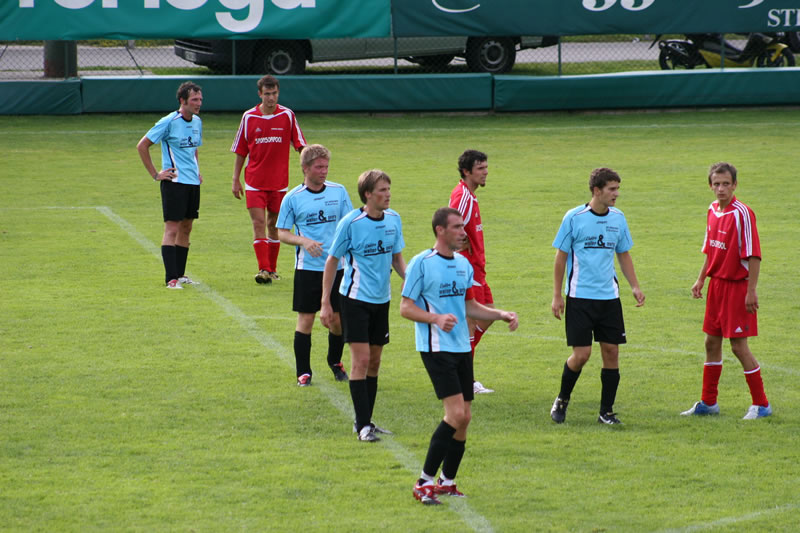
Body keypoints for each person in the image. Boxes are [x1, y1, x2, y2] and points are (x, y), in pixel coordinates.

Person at [401, 207, 518, 505]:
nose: (463, 232)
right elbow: (405, 307)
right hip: (436, 348)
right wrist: (435, 319)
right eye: (456, 227)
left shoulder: (463, 266)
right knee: (454, 415)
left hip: (462, 348)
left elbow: (470, 307)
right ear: (440, 230)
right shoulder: (421, 264)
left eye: (463, 227)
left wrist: (500, 314)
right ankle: (423, 483)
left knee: (464, 419)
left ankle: (447, 481)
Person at [549, 168, 645, 425]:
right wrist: (557, 295)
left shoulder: (618, 218)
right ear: (596, 191)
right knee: (581, 355)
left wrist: (634, 286)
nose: (617, 194)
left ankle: (606, 412)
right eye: (612, 189)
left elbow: (623, 253)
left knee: (611, 352)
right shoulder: (574, 218)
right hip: (580, 298)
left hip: (609, 298)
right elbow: (561, 257)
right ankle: (562, 399)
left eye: (617, 188)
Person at [320, 169, 406, 443]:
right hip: (355, 300)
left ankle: (366, 421)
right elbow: (332, 260)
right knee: (362, 360)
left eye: (389, 189)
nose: (387, 194)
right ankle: (363, 426)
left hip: (382, 300)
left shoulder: (394, 220)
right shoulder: (351, 223)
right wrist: (325, 302)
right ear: (367, 194)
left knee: (375, 362)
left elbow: (397, 259)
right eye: (382, 190)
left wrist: (412, 283)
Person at [681, 162, 771, 419]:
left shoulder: (743, 213)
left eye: (726, 184)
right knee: (711, 342)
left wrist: (751, 291)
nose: (721, 188)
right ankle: (709, 403)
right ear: (710, 185)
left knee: (739, 347)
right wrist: (701, 280)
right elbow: (711, 250)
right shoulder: (711, 210)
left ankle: (762, 404)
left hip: (737, 287)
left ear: (734, 185)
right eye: (716, 184)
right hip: (716, 286)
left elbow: (754, 255)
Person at [276, 144, 353, 386]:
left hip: (338, 268)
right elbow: (281, 233)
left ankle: (335, 361)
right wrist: (303, 241)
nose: (324, 171)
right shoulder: (293, 198)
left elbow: (351, 226)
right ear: (305, 168)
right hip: (307, 269)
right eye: (319, 167)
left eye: (326, 166)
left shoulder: (339, 192)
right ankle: (304, 372)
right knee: (306, 320)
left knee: (337, 321)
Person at [231, 75, 306, 284]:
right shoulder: (249, 117)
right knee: (258, 222)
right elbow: (240, 150)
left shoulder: (287, 116)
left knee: (274, 224)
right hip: (254, 181)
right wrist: (235, 179)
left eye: (274, 94)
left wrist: (308, 168)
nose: (271, 98)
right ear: (260, 94)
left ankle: (272, 270)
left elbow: (300, 145)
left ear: (278, 93)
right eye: (267, 94)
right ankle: (263, 269)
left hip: (279, 183)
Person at [136, 81, 203, 290]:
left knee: (187, 227)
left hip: (192, 183)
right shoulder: (168, 121)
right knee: (172, 228)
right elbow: (142, 145)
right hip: (174, 183)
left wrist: (197, 170)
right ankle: (170, 279)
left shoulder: (198, 121)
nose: (198, 103)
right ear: (182, 101)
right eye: (194, 100)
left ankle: (181, 275)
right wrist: (156, 174)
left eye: (200, 99)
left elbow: (194, 149)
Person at [448, 149, 496, 394]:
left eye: (486, 168)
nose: (485, 172)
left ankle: (459, 365)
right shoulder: (463, 198)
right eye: (480, 169)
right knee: (470, 322)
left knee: (486, 316)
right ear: (467, 171)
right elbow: (449, 228)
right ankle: (464, 377)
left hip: (477, 269)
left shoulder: (468, 195)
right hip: (467, 271)